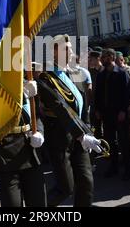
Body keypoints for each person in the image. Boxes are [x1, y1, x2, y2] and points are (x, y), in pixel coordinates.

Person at [37, 34, 102, 207]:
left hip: (80, 138)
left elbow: (83, 104)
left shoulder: (74, 74)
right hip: (60, 139)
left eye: (71, 48)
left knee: (86, 183)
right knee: (66, 188)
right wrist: (82, 135)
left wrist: (87, 130)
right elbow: (60, 107)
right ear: (54, 52)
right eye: (66, 49)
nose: (71, 52)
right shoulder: (46, 78)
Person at [0, 78, 47, 207]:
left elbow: (36, 115)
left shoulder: (26, 84)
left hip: (31, 154)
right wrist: (19, 94)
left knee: (38, 203)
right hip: (5, 155)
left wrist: (40, 132)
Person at [95, 48, 130, 180]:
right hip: (106, 113)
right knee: (110, 141)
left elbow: (127, 94)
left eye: (104, 57)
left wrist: (123, 110)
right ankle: (114, 166)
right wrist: (98, 110)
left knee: (124, 141)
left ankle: (128, 169)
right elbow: (97, 94)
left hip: (119, 113)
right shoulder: (101, 75)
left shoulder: (122, 73)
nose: (101, 59)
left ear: (111, 57)